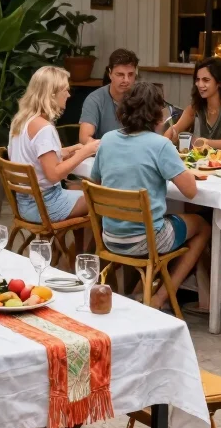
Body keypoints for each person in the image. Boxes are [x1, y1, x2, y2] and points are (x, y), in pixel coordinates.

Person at [90, 81, 210, 311]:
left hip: (110, 237)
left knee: (164, 222)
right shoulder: (160, 145)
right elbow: (191, 191)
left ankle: (140, 291)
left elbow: (96, 183)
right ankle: (160, 298)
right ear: (157, 114)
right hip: (146, 240)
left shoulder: (107, 139)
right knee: (202, 226)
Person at [9, 65, 99, 223]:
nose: (69, 95)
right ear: (52, 94)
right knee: (104, 201)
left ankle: (67, 239)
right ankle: (88, 241)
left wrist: (69, 150)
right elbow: (54, 175)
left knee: (78, 189)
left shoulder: (21, 120)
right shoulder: (44, 129)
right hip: (45, 206)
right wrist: (86, 152)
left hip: (25, 202)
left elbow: (36, 156)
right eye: (65, 90)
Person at [166, 56, 221, 152]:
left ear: (219, 83)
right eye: (197, 79)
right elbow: (175, 129)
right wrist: (172, 133)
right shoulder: (196, 106)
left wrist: (205, 142)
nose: (200, 84)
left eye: (206, 80)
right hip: (202, 160)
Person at [79, 48, 139, 143]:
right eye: (120, 74)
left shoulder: (142, 97)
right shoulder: (95, 99)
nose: (126, 80)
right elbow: (84, 138)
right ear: (110, 73)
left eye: (131, 74)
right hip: (106, 150)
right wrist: (110, 148)